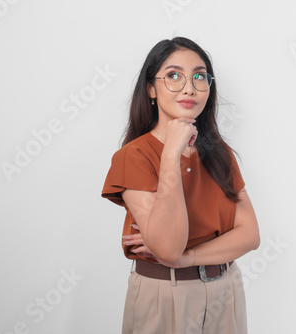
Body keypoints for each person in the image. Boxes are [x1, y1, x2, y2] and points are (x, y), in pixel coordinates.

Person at [101, 36, 260, 334]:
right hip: (165, 294)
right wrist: (171, 154)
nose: (189, 87)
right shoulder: (133, 156)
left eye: (199, 76)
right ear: (151, 88)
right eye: (173, 75)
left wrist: (187, 257)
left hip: (226, 290)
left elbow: (250, 235)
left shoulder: (220, 154)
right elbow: (169, 248)